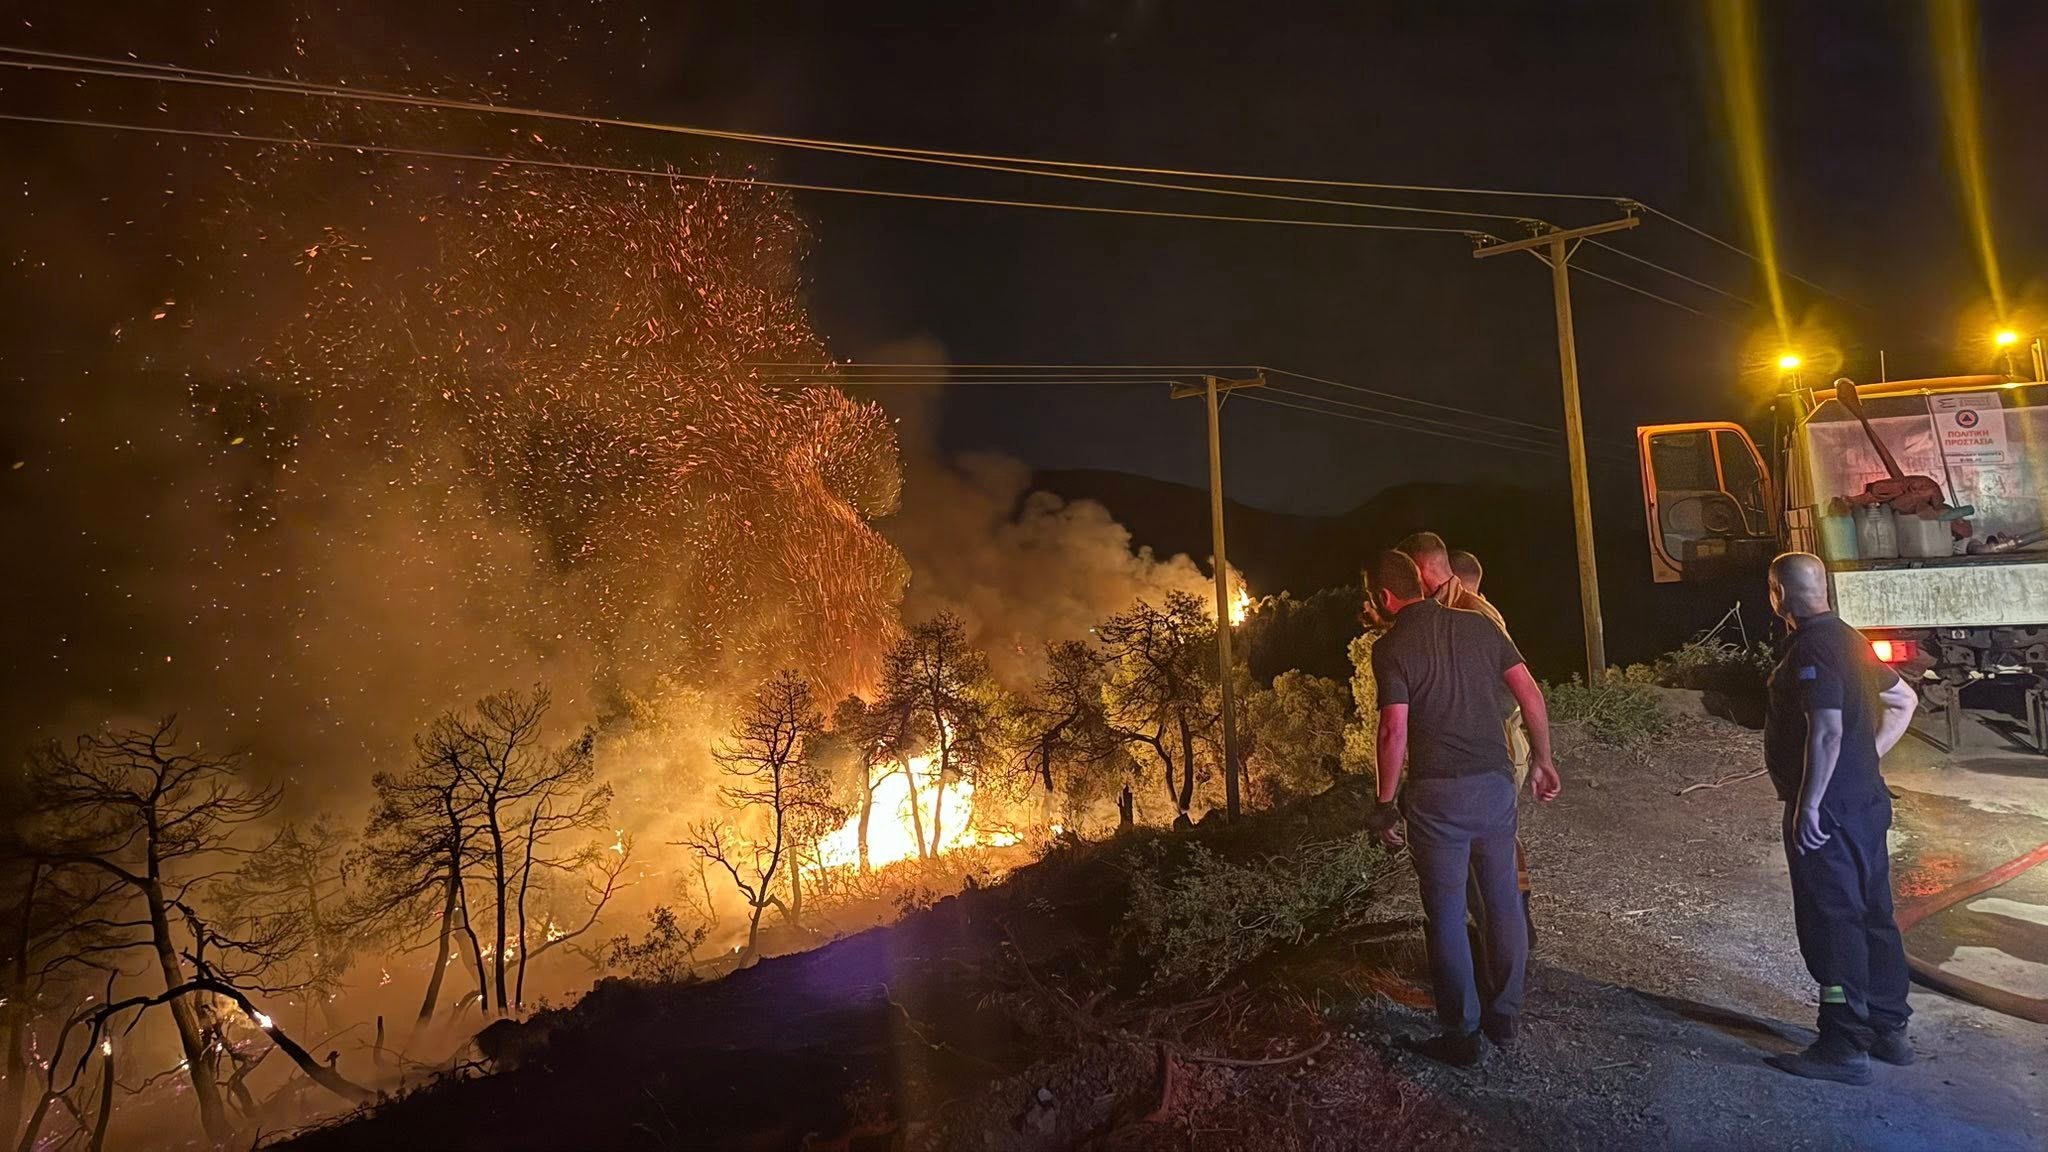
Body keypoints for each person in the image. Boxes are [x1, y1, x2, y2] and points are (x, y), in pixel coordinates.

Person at [1367, 549, 1560, 1065]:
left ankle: (1462, 1034)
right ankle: (1506, 1016)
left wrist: (1384, 803)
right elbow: (1530, 693)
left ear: (1384, 596)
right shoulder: (1479, 625)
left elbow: (1393, 730)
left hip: (1437, 798)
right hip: (1494, 786)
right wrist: (1543, 760)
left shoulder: (1390, 648)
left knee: (1448, 915)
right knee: (1502, 900)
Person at [1761, 552, 1919, 1084]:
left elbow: (1826, 730)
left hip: (1828, 813)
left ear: (1778, 594)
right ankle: (1888, 1028)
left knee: (1833, 921)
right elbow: (1904, 700)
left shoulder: (1812, 648)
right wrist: (1865, 758)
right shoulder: (1850, 638)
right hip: (1865, 803)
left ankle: (1843, 1045)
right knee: (1874, 912)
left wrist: (1809, 803)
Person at [1397, 534, 1537, 962]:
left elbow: (1512, 690)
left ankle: (1501, 949)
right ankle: (1509, 939)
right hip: (1496, 749)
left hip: (1489, 749)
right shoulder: (1465, 609)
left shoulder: (1467, 614)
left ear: (1423, 571)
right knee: (1497, 849)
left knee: (1484, 862)